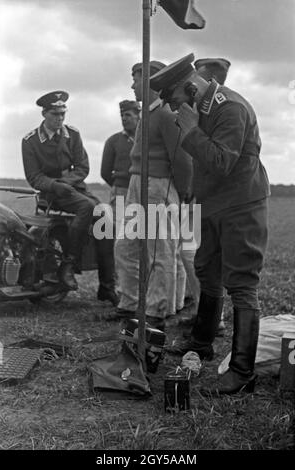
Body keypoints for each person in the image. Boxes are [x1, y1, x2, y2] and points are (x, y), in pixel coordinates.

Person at [150, 54, 270, 394]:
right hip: (213, 205)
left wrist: (189, 132)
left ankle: (242, 371)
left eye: (174, 101)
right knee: (206, 269)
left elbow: (220, 162)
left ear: (190, 88)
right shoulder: (200, 107)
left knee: (242, 283)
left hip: (241, 205)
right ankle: (202, 342)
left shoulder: (230, 107)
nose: (174, 110)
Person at [114, 61, 192, 330]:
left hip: (159, 185)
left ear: (149, 82)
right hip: (138, 182)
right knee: (126, 246)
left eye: (136, 80)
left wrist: (183, 192)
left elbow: (181, 157)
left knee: (161, 249)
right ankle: (130, 303)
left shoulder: (166, 114)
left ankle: (160, 308)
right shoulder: (148, 113)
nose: (132, 85)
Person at [22, 90, 118, 305]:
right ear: (44, 114)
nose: (60, 119)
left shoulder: (72, 134)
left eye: (63, 114)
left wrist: (67, 182)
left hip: (74, 188)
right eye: (55, 114)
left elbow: (82, 166)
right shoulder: (30, 141)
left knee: (105, 217)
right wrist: (56, 185)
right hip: (52, 193)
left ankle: (107, 286)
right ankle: (68, 264)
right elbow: (34, 177)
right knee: (88, 207)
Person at [179, 57, 232, 334]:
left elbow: (212, 159)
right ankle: (206, 316)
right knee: (195, 258)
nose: (192, 85)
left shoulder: (220, 112)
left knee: (198, 257)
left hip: (213, 200)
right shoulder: (202, 110)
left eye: (197, 78)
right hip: (200, 196)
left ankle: (214, 319)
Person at [101, 100, 140, 234]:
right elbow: (105, 172)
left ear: (138, 115)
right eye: (122, 115)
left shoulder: (147, 139)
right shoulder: (113, 141)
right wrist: (120, 184)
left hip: (144, 191)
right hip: (120, 193)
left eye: (128, 115)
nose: (124, 119)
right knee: (120, 231)